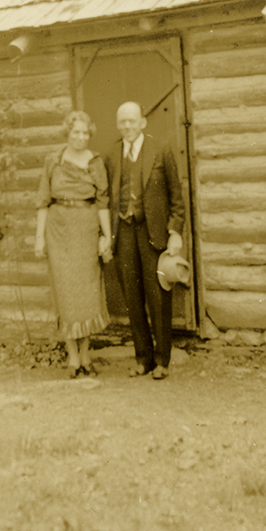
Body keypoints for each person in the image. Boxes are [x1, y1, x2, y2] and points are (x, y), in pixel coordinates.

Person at [107, 101, 185, 380]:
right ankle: (143, 358)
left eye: (132, 120)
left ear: (143, 122)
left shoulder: (161, 149)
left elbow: (176, 198)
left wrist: (175, 231)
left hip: (154, 234)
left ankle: (162, 361)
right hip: (124, 233)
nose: (127, 126)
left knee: (158, 296)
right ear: (118, 125)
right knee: (132, 297)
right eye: (122, 121)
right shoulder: (112, 154)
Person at [34, 110, 112, 378]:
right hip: (58, 231)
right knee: (65, 294)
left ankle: (86, 354)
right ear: (67, 132)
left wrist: (107, 236)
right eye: (76, 132)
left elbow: (103, 202)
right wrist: (39, 238)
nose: (80, 137)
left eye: (85, 133)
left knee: (87, 293)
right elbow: (43, 200)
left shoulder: (96, 162)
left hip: (86, 229)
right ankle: (73, 356)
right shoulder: (53, 161)